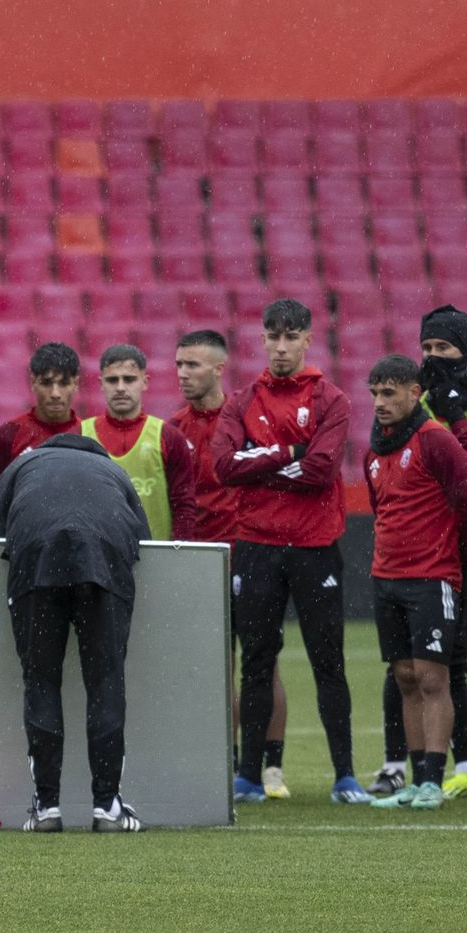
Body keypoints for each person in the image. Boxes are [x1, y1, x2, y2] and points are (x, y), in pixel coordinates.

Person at [211, 298, 368, 805]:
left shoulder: (330, 399)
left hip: (314, 546)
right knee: (257, 660)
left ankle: (345, 776)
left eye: (291, 337)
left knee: (328, 661)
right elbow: (224, 468)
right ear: (262, 339)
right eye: (273, 337)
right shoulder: (241, 401)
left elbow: (321, 470)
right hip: (256, 546)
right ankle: (248, 776)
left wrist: (258, 462)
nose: (281, 347)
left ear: (307, 340)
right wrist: (290, 452)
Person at [375, 305, 467, 800]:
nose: (434, 356)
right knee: (430, 666)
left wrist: (457, 414)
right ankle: (454, 767)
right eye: (427, 348)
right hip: (431, 560)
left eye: (444, 347)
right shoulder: (418, 404)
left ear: (466, 349)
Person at [0, 432, 151, 832]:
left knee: (41, 681)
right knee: (105, 682)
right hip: (105, 564)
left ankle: (46, 808)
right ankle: (107, 806)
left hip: (37, 563)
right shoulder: (113, 469)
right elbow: (145, 542)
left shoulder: (23, 464)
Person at [362, 355, 467, 811]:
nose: (379, 402)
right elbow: (382, 511)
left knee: (434, 678)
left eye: (389, 392)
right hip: (386, 577)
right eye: (375, 393)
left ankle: (433, 780)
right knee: (405, 677)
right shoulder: (374, 450)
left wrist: (454, 562)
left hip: (432, 577)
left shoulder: (436, 440)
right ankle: (416, 781)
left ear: (415, 393)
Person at [171, 330, 292, 797]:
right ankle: (229, 760)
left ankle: (271, 766)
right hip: (199, 560)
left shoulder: (248, 419)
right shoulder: (174, 429)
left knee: (264, 662)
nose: (183, 374)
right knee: (216, 666)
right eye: (179, 365)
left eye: (193, 365)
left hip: (249, 553)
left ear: (219, 369)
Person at [82, 343, 198, 541]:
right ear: (101, 384)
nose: (120, 388)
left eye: (129, 379)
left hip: (154, 553)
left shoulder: (169, 437)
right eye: (112, 380)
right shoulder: (81, 436)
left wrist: (177, 551)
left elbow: (184, 505)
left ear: (145, 382)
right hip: (98, 552)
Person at [0, 342, 80, 508]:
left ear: (76, 384)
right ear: (32, 383)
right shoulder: (6, 437)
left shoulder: (88, 434)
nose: (55, 393)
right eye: (46, 383)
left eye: (64, 383)